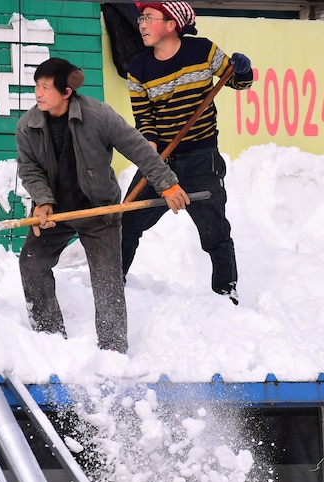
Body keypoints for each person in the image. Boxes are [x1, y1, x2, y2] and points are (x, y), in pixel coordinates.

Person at [16, 57, 187, 353]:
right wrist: (42, 201)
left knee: (107, 280)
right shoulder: (27, 125)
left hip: (100, 210)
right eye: (37, 86)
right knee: (32, 262)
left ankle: (113, 351)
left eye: (45, 87)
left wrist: (167, 184)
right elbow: (29, 168)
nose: (38, 93)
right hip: (55, 212)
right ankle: (50, 339)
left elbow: (138, 148)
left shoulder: (98, 116)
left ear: (66, 92)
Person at [122, 1, 253, 305]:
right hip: (159, 161)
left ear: (171, 25)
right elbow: (146, 122)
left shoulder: (203, 51)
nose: (141, 24)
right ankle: (112, 285)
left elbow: (236, 80)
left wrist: (243, 69)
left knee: (214, 229)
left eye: (149, 18)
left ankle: (226, 293)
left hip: (201, 157)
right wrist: (152, 161)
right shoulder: (137, 68)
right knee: (127, 222)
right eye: (140, 18)